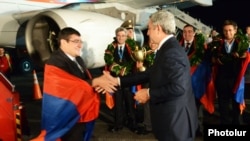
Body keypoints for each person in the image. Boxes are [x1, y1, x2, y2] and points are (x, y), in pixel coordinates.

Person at [104, 10, 198, 141]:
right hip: (171, 121)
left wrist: (148, 93)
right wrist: (118, 81)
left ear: (158, 28)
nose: (147, 33)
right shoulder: (167, 48)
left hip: (176, 124)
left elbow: (178, 88)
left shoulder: (171, 51)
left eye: (149, 28)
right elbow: (150, 73)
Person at [31, 27, 117, 141]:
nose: (80, 45)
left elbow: (84, 81)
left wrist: (98, 84)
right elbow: (67, 85)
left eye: (80, 42)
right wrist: (95, 82)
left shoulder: (79, 59)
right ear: (63, 42)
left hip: (80, 111)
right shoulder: (55, 61)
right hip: (66, 115)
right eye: (75, 41)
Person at [211, 20, 249, 125]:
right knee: (223, 106)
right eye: (225, 30)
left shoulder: (242, 44)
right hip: (222, 79)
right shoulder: (217, 44)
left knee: (236, 105)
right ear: (223, 31)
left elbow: (247, 56)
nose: (228, 33)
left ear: (235, 31)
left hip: (236, 79)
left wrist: (245, 56)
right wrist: (213, 59)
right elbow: (211, 57)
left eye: (230, 30)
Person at [104, 27, 138, 133]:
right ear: (116, 36)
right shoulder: (111, 48)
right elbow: (108, 62)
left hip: (128, 79)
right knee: (118, 102)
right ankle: (118, 124)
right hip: (115, 79)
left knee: (129, 102)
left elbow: (134, 61)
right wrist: (117, 69)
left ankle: (133, 124)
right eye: (119, 35)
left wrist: (125, 70)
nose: (121, 38)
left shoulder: (131, 47)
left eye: (123, 35)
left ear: (126, 36)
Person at [179, 24, 210, 136]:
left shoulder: (201, 47)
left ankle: (198, 128)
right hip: (182, 82)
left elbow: (206, 64)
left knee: (197, 106)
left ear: (194, 33)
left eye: (190, 31)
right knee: (183, 106)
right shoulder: (179, 46)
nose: (187, 34)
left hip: (196, 81)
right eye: (185, 32)